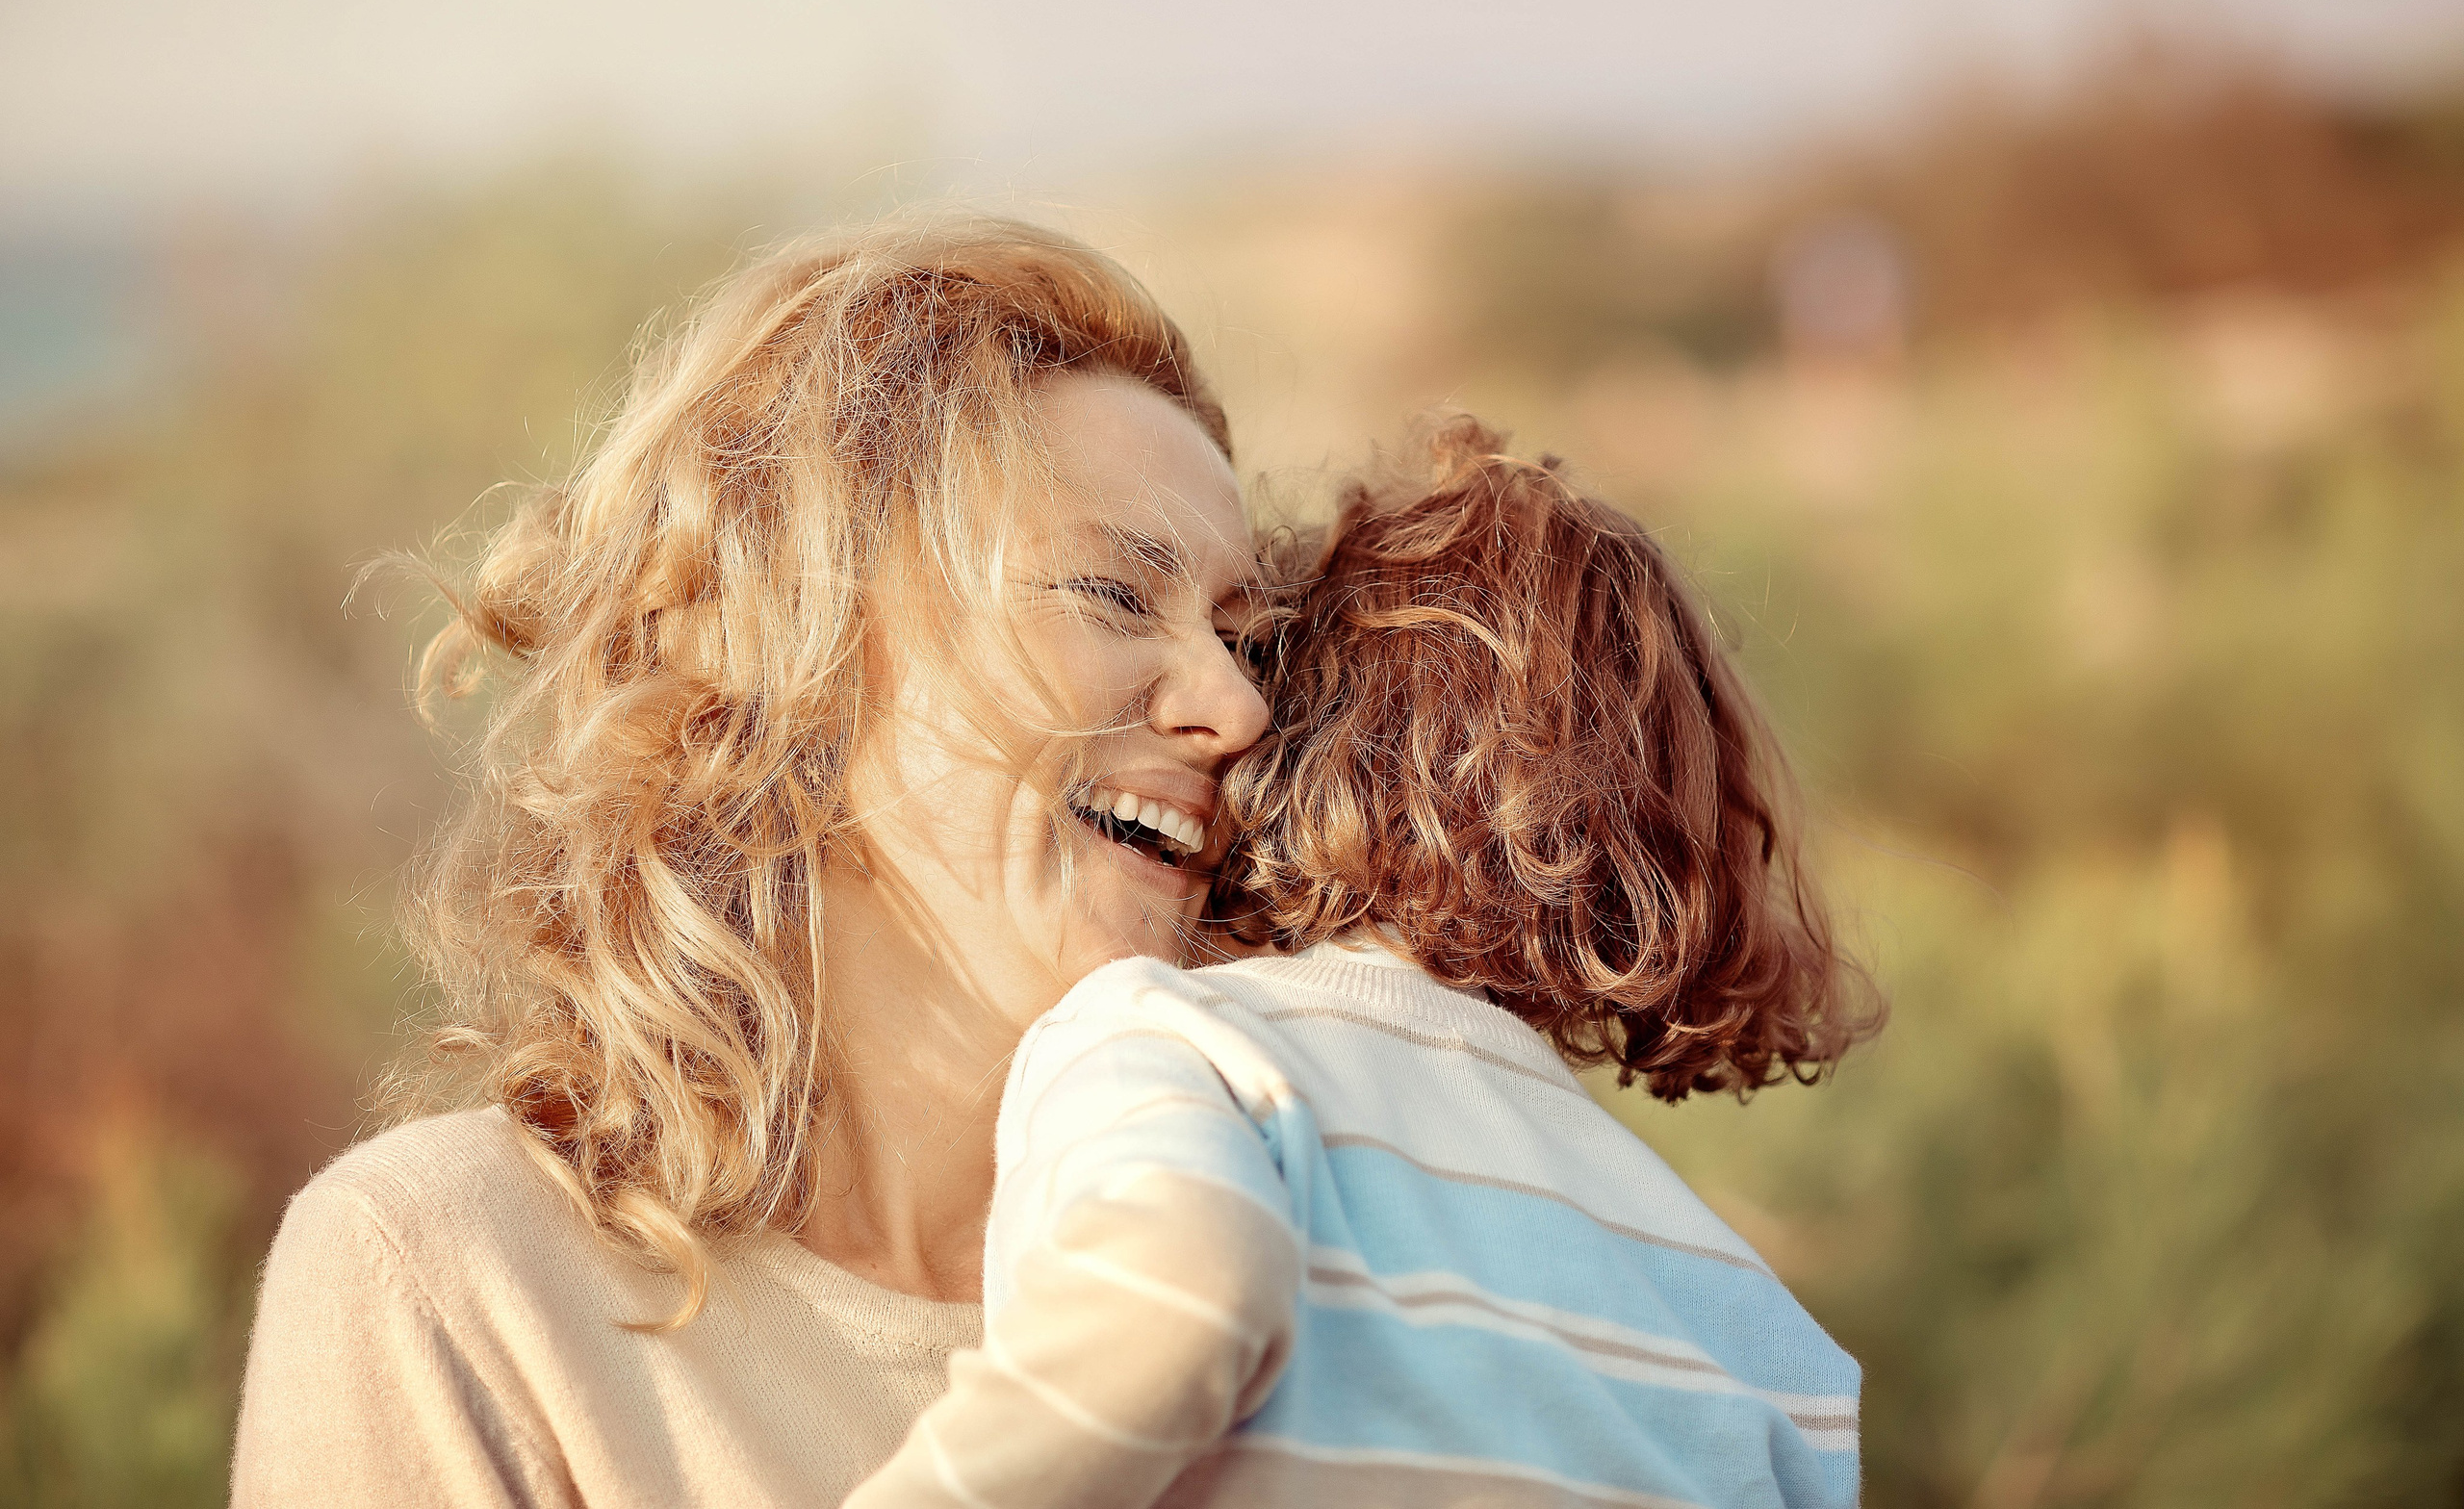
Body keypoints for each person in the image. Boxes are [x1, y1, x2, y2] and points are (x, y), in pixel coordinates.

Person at [230, 217, 1272, 1506]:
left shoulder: (1299, 1286)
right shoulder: (460, 1280)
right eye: (1116, 595)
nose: (1237, 710)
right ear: (802, 637)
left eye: (1249, 640)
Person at [844, 420, 1885, 1509]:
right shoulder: (1731, 1289)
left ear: (1290, 741)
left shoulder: (1172, 1041)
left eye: (1255, 659)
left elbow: (1178, 1298)